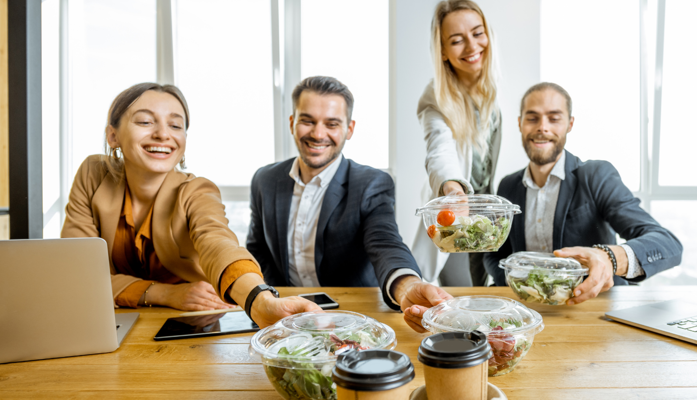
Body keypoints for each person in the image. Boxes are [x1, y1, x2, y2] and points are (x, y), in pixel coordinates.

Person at [62, 82, 321, 328]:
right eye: (144, 121)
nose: (163, 134)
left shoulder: (197, 190)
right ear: (113, 135)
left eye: (175, 126)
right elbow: (76, 275)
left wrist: (260, 301)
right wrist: (166, 293)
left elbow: (219, 245)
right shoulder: (93, 174)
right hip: (108, 323)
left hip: (190, 323)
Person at [246, 76, 451, 332]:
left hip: (352, 319)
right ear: (292, 123)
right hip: (284, 320)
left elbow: (385, 243)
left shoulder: (372, 183)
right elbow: (258, 251)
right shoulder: (264, 180)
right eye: (307, 120)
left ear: (350, 129)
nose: (318, 134)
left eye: (332, 124)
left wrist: (407, 286)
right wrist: (272, 299)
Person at [483, 82, 683, 304]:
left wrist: (609, 258)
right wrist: (514, 281)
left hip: (594, 310)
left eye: (554, 118)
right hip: (528, 310)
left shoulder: (596, 175)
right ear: (520, 124)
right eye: (532, 118)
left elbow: (668, 244)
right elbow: (495, 253)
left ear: (570, 124)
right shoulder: (507, 186)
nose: (542, 127)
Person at [411, 0, 502, 286]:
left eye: (477, 33)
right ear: (443, 52)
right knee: (461, 297)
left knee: (493, 296)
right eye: (457, 40)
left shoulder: (497, 88)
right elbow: (439, 148)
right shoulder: (435, 96)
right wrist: (453, 190)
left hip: (493, 220)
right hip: (458, 218)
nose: (473, 46)